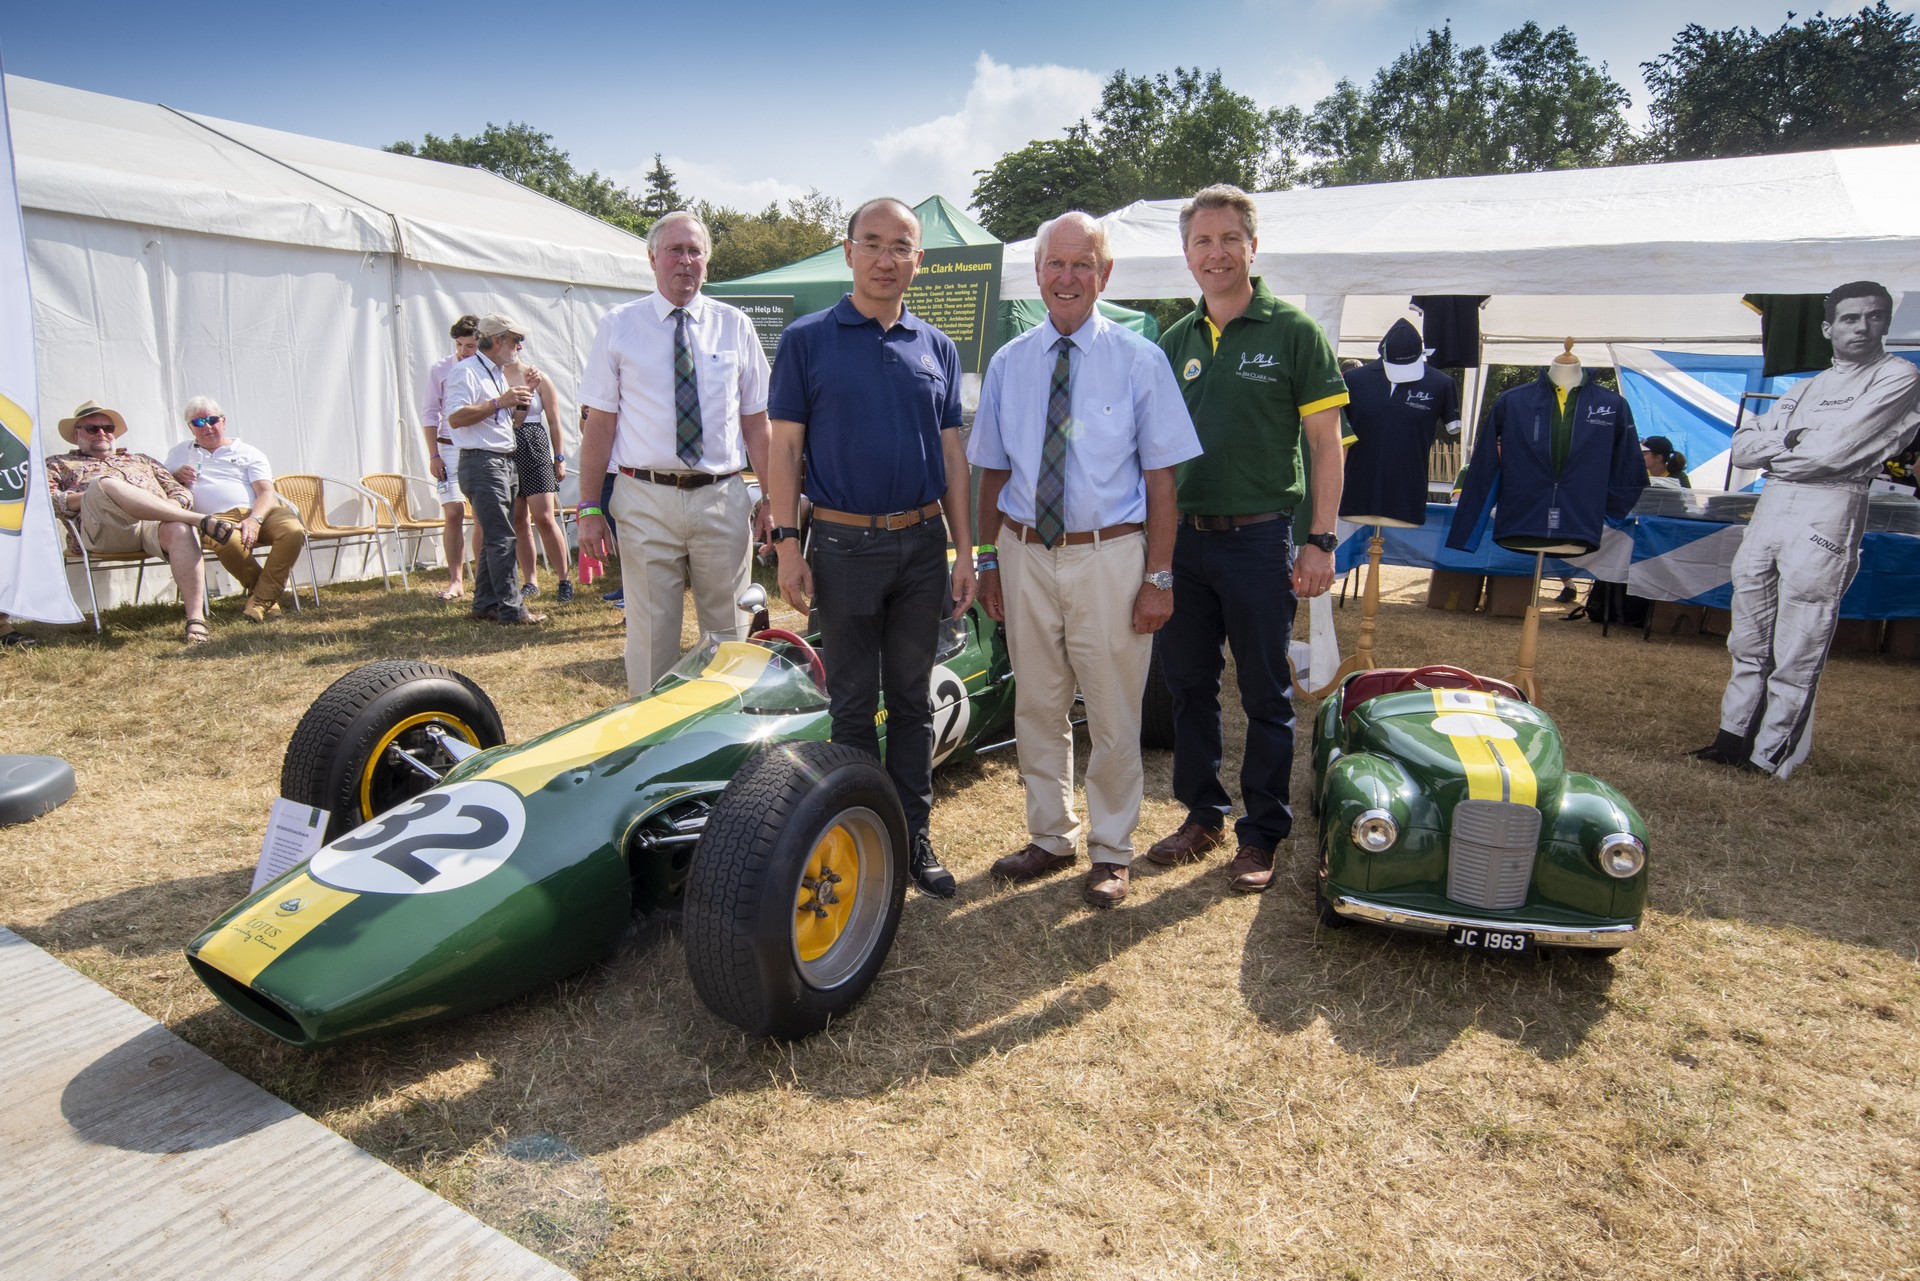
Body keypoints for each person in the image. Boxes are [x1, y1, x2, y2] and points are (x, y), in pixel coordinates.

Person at [970, 212, 1199, 907]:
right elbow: (990, 471)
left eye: (1082, 264)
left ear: (1105, 274)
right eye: (1055, 263)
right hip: (1024, 554)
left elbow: (1162, 481)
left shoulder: (1140, 359)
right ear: (1037, 272)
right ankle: (1050, 835)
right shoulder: (1009, 363)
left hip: (1110, 557)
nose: (1066, 277)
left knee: (1112, 709)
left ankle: (1111, 848)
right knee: (1037, 703)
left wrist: (1159, 577)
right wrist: (987, 560)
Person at [765, 197, 976, 899]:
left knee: (912, 700)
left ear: (919, 259)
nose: (887, 259)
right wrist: (786, 543)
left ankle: (912, 836)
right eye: (874, 243)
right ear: (849, 250)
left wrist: (965, 551)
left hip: (921, 546)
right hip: (843, 545)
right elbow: (784, 449)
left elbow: (953, 457)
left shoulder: (937, 346)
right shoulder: (806, 339)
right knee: (853, 704)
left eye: (901, 246)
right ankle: (855, 839)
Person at [1147, 184, 1348, 892]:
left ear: (1252, 247)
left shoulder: (1294, 331)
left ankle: (1261, 833)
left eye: (1229, 238)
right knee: (1188, 686)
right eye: (1201, 241)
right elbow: (1150, 453)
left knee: (1265, 693)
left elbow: (1326, 445)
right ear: (1186, 255)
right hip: (1181, 545)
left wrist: (1320, 539)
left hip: (1260, 541)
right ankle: (1202, 814)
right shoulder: (1172, 342)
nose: (1216, 253)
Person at [1695, 280, 1920, 778]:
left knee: (1801, 633)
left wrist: (1781, 446)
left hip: (1831, 504)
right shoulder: (1805, 387)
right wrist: (1793, 443)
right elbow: (1743, 446)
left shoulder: (1898, 376)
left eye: (1874, 316)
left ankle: (1771, 754)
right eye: (1849, 318)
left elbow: (1832, 454)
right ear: (1827, 328)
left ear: (1886, 322)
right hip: (1774, 503)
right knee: (1748, 629)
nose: (1861, 327)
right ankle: (1731, 738)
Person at [577, 211, 772, 692]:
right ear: (651, 259)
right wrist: (588, 507)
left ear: (706, 260)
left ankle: (728, 726)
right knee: (650, 640)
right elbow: (600, 424)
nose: (685, 260)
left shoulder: (734, 326)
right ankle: (649, 734)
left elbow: (756, 422)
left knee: (730, 634)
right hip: (645, 498)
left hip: (722, 497)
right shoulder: (619, 326)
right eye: (674, 250)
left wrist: (772, 500)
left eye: (694, 251)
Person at [45, 398, 234, 643]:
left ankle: (196, 619)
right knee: (105, 484)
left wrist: (169, 508)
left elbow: (179, 490)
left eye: (107, 428)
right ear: (76, 433)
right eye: (92, 428)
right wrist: (100, 494)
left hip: (151, 526)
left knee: (179, 528)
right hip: (104, 529)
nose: (101, 433)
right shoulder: (58, 464)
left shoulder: (142, 460)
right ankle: (198, 520)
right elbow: (48, 502)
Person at [164, 396, 308, 623]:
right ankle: (265, 601)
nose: (207, 426)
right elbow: (160, 486)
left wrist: (254, 519)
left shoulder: (248, 452)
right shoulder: (179, 453)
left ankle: (260, 600)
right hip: (212, 519)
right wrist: (175, 475)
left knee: (293, 531)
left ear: (223, 421)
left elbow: (266, 493)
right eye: (198, 422)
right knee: (227, 539)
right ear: (190, 427)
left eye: (212, 420)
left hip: (259, 511)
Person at [443, 313, 546, 625]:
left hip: (500, 460)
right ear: (498, 340)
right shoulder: (466, 371)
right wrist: (499, 402)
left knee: (495, 536)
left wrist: (524, 396)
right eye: (516, 339)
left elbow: (510, 423)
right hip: (482, 462)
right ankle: (512, 609)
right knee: (502, 538)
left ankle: (486, 603)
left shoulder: (496, 373)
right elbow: (455, 418)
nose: (520, 346)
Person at [503, 341, 572, 602]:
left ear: (518, 345)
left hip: (535, 446)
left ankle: (564, 579)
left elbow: (554, 421)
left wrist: (559, 457)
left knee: (544, 517)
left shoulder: (539, 377)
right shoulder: (494, 377)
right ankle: (530, 580)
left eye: (510, 342)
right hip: (507, 447)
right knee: (518, 519)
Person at [420, 314, 479, 600]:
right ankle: (456, 580)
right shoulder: (440, 368)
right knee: (453, 512)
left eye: (469, 346)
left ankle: (484, 578)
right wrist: (433, 454)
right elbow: (430, 413)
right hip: (448, 447)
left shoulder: (487, 369)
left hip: (477, 447)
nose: (462, 351)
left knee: (482, 514)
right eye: (459, 345)